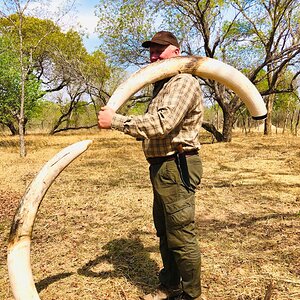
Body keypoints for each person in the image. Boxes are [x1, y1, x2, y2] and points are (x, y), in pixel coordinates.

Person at [98, 31, 204, 300]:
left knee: (180, 234)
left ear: (176, 52)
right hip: (161, 167)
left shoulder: (183, 82)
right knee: (165, 231)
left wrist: (117, 121)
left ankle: (191, 295)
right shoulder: (162, 85)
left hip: (175, 165)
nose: (154, 55)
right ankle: (169, 284)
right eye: (151, 50)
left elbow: (162, 124)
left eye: (161, 49)